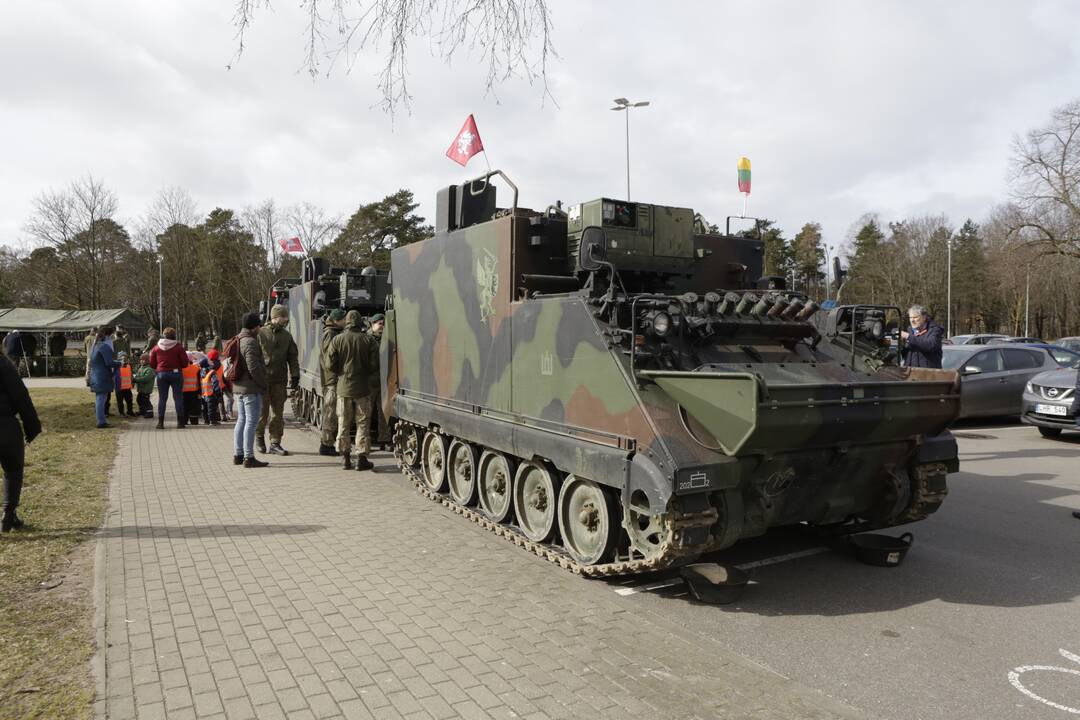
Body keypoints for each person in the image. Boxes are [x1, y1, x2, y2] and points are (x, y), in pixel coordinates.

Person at [328, 310, 377, 471]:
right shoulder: (368, 340)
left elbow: (330, 365)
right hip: (363, 388)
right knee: (362, 423)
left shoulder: (337, 340)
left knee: (343, 423)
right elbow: (374, 365)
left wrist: (341, 372)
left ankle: (345, 458)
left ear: (347, 322)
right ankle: (361, 458)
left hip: (343, 387)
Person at [0, 348, 41, 533]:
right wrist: (32, 427)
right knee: (13, 471)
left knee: (12, 470)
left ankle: (10, 514)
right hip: (6, 427)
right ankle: (9, 512)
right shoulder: (4, 365)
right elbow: (21, 397)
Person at [256, 305, 299, 456]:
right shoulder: (260, 333)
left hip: (279, 380)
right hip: (262, 380)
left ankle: (275, 442)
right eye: (284, 317)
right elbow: (254, 356)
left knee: (278, 414)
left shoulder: (287, 336)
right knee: (262, 413)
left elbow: (292, 356)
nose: (286, 320)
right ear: (275, 317)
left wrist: (295, 375)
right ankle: (259, 438)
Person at [231, 313, 268, 468]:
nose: (260, 328)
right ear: (254, 327)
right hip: (250, 388)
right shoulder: (250, 342)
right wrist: (263, 383)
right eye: (259, 325)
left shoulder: (237, 339)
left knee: (241, 421)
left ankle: (238, 455)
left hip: (239, 387)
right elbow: (253, 367)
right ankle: (249, 457)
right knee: (251, 423)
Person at [318, 309, 347, 456]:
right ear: (337, 320)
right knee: (330, 413)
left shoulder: (333, 332)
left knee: (333, 412)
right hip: (332, 380)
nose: (345, 321)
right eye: (343, 319)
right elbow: (330, 359)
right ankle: (326, 445)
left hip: (332, 379)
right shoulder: (330, 334)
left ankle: (328, 443)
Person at [148, 327, 189, 429]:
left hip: (161, 374)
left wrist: (160, 367)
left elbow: (152, 364)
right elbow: (184, 363)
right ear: (174, 336)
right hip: (176, 374)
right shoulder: (178, 347)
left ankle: (160, 423)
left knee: (162, 398)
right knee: (178, 398)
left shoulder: (156, 347)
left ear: (163, 335)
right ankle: (180, 423)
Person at [367, 313, 391, 450]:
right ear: (372, 324)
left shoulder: (387, 339)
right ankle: (365, 441)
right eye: (379, 323)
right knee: (366, 413)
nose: (382, 326)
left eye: (384, 323)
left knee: (384, 412)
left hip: (384, 381)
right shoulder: (367, 339)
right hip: (370, 382)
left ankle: (384, 439)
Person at [89, 326, 121, 428]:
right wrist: (119, 363)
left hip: (95, 375)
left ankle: (101, 419)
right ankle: (101, 421)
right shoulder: (104, 347)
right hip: (102, 376)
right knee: (101, 399)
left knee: (100, 398)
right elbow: (109, 362)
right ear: (109, 335)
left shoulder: (95, 346)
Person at [900, 305, 944, 369]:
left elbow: (930, 345)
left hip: (928, 374)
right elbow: (906, 354)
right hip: (910, 373)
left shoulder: (934, 330)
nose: (912, 320)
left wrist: (908, 337)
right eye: (910, 317)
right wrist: (901, 345)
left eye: (915, 317)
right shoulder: (910, 330)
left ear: (924, 317)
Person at [199, 349, 224, 425]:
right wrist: (218, 392)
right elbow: (215, 382)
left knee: (205, 408)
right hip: (211, 393)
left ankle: (206, 420)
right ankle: (212, 421)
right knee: (212, 408)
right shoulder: (212, 372)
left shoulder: (201, 371)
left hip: (204, 393)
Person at [182, 353, 202, 425]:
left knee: (184, 407)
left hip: (183, 392)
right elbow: (199, 381)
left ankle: (184, 421)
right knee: (194, 407)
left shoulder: (181, 369)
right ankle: (194, 421)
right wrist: (200, 392)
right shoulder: (196, 368)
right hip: (194, 391)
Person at [133, 354, 156, 418]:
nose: (142, 361)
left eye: (143, 360)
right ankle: (142, 411)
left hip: (146, 389)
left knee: (146, 401)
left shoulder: (149, 369)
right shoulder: (141, 368)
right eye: (141, 360)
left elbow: (145, 379)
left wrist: (135, 380)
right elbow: (138, 375)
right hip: (141, 389)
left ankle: (149, 412)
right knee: (139, 399)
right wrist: (135, 378)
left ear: (147, 361)